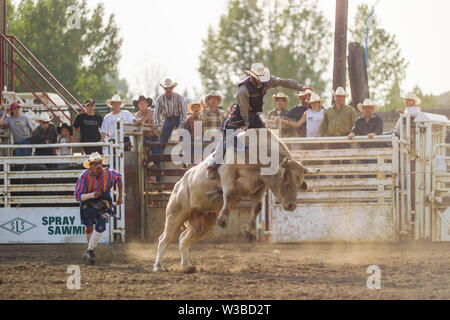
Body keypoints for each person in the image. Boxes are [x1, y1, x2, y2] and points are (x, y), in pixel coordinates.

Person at [206, 62, 311, 179]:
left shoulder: (267, 81)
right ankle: (213, 165)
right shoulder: (244, 89)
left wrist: (300, 87)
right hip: (239, 114)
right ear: (252, 77)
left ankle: (277, 164)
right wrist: (246, 123)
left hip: (254, 114)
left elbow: (283, 81)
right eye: (259, 78)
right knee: (228, 137)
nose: (261, 81)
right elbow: (244, 109)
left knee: (267, 135)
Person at [74, 152, 123, 263]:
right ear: (90, 166)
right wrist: (92, 195)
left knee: (102, 221)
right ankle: (90, 249)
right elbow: (78, 196)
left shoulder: (109, 174)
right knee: (89, 227)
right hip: (88, 201)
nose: (98, 166)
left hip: (103, 200)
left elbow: (119, 178)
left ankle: (89, 250)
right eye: (95, 164)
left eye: (100, 163)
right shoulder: (84, 176)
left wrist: (120, 196)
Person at [154, 78, 187, 154]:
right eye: (166, 88)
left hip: (178, 118)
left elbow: (183, 112)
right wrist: (157, 125)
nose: (168, 89)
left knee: (183, 136)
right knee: (162, 139)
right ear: (164, 89)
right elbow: (156, 113)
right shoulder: (159, 99)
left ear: (172, 88)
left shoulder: (179, 97)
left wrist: (181, 124)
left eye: (169, 88)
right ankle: (159, 159)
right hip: (168, 119)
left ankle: (186, 159)